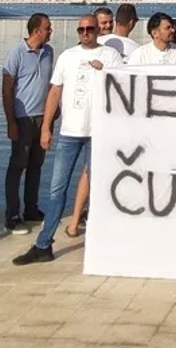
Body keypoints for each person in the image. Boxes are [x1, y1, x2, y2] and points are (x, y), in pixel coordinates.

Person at [12, 15, 122, 265]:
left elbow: (122, 87)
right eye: (81, 29)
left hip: (99, 132)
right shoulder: (67, 56)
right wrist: (46, 127)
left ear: (98, 30)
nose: (85, 33)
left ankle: (102, 242)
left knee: (100, 186)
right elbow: (55, 91)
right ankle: (43, 244)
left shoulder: (110, 56)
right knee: (57, 189)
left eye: (90, 29)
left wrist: (105, 72)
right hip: (69, 132)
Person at [2, 14, 55, 235]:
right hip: (23, 118)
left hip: (43, 118)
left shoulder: (49, 51)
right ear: (36, 31)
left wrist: (52, 116)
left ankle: (31, 208)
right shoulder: (16, 53)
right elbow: (6, 89)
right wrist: (10, 121)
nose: (50, 31)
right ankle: (12, 214)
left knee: (36, 165)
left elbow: (51, 84)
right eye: (47, 28)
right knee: (17, 166)